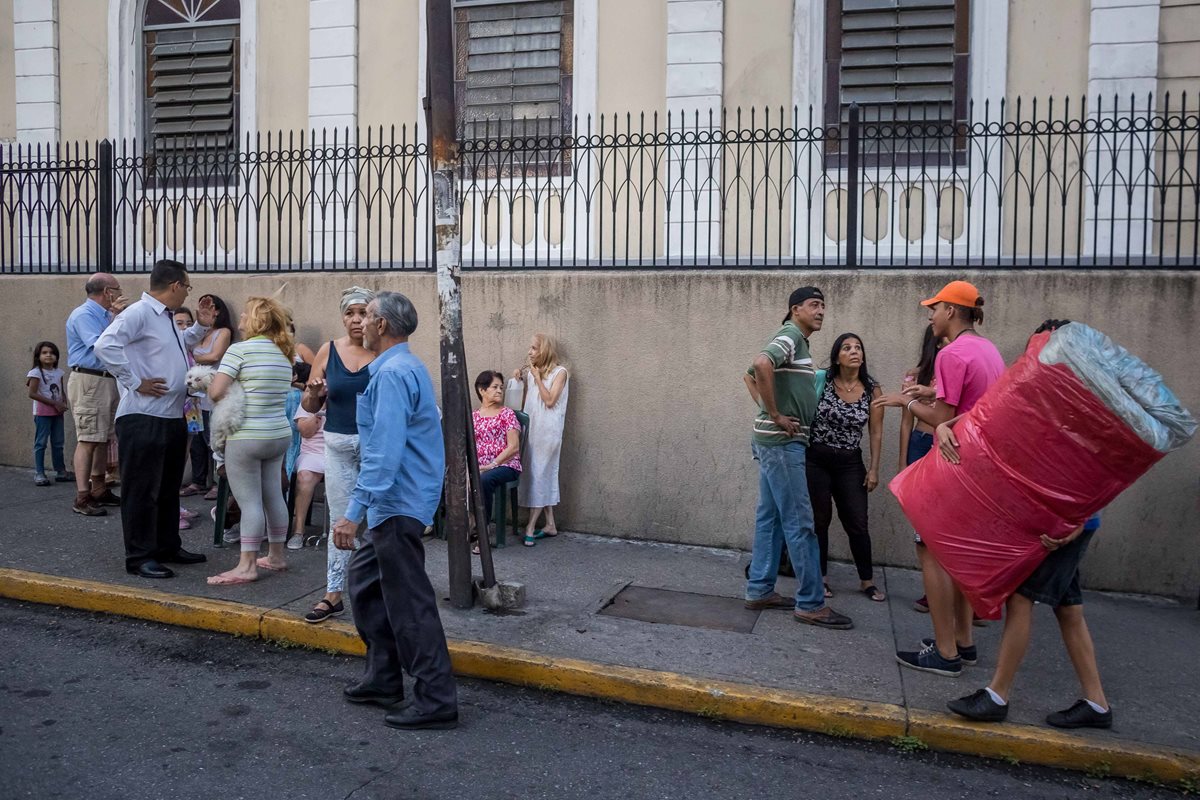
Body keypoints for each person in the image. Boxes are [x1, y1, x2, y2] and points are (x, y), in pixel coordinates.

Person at [333, 291, 457, 730]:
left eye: (366, 316)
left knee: (409, 604)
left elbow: (383, 453)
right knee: (365, 585)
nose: (360, 323)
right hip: (396, 501)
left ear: (382, 325)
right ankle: (384, 677)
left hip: (398, 501)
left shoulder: (392, 374)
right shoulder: (398, 367)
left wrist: (352, 512)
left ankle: (436, 697)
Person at [874, 280, 1005, 676]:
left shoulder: (951, 354)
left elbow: (942, 421)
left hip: (951, 464)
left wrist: (908, 401)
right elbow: (970, 403)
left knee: (931, 553)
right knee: (958, 557)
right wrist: (929, 391)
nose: (930, 316)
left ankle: (945, 653)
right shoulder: (986, 349)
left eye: (934, 308)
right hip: (978, 467)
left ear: (951, 310)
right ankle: (964, 644)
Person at [93, 260, 214, 579]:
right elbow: (104, 345)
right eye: (187, 287)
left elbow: (179, 346)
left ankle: (166, 546)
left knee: (166, 488)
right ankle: (140, 556)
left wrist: (200, 326)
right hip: (143, 417)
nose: (188, 292)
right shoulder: (139, 313)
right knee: (141, 489)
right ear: (175, 285)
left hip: (171, 415)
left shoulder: (166, 319)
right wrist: (134, 381)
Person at [742, 286, 852, 630]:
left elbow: (750, 374)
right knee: (801, 522)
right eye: (813, 305)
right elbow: (759, 365)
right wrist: (774, 414)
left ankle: (760, 589)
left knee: (771, 518)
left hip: (774, 443)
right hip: (781, 444)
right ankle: (811, 603)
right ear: (795, 310)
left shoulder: (796, 342)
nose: (820, 311)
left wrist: (768, 412)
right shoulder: (790, 335)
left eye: (823, 305)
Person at [205, 297, 296, 585]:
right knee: (273, 496)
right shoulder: (284, 354)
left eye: (245, 314)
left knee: (250, 502)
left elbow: (215, 392)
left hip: (246, 436)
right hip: (278, 434)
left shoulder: (239, 351)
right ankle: (277, 556)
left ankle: (247, 565)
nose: (241, 317)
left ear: (255, 321)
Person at [301, 287, 376, 623]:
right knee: (340, 522)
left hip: (375, 451)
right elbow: (309, 406)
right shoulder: (328, 351)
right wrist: (315, 394)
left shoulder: (382, 352)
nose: (356, 320)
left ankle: (379, 590)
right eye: (350, 313)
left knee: (378, 521)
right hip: (338, 446)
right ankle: (333, 594)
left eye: (362, 313)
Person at [806, 332, 885, 601]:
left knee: (857, 521)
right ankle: (821, 577)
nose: (854, 352)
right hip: (816, 458)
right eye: (847, 348)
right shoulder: (822, 380)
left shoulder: (873, 389)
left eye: (858, 348)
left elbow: (875, 432)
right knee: (820, 520)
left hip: (850, 462)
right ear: (837, 357)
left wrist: (873, 468)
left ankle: (867, 580)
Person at [65, 272, 127, 516]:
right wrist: (115, 318)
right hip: (90, 379)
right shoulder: (84, 315)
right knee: (89, 438)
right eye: (118, 289)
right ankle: (82, 496)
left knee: (103, 438)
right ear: (107, 292)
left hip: (106, 380)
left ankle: (99, 488)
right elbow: (101, 344)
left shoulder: (104, 315)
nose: (121, 293)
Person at [899, 327, 941, 614]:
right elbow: (905, 420)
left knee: (946, 523)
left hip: (947, 446)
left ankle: (954, 592)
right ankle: (933, 591)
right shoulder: (915, 374)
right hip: (921, 442)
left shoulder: (959, 369)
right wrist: (902, 463)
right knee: (922, 525)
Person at [512, 333, 568, 547]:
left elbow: (550, 400)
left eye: (534, 348)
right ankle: (550, 524)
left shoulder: (560, 373)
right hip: (533, 430)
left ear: (544, 350)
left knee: (540, 474)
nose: (530, 352)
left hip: (548, 433)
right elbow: (529, 402)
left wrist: (536, 377)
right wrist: (519, 381)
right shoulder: (532, 375)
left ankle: (530, 526)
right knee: (538, 474)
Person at [180, 294, 234, 500]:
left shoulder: (224, 332)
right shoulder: (196, 333)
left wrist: (190, 356)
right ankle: (198, 480)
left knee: (213, 438)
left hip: (212, 393)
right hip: (194, 395)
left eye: (210, 306)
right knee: (196, 441)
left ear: (218, 310)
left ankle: (217, 481)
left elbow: (214, 357)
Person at [472, 370, 523, 553]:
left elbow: (514, 447)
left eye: (501, 387)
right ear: (482, 390)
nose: (500, 390)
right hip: (480, 466)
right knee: (456, 476)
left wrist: (493, 464)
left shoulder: (507, 414)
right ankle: (467, 525)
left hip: (505, 465)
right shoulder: (474, 417)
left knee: (484, 479)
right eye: (495, 387)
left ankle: (483, 534)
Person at [26, 341, 71, 487]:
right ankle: (39, 473)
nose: (48, 355)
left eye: (52, 353)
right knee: (41, 442)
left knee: (58, 442)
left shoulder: (59, 372)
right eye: (44, 353)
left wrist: (63, 402)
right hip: (43, 413)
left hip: (58, 413)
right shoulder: (35, 373)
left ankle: (61, 471)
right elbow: (32, 393)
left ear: (57, 357)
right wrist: (54, 404)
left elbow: (61, 390)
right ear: (38, 356)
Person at [287, 390, 327, 551]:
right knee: (305, 477)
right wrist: (320, 407)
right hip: (313, 452)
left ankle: (344, 531)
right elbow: (305, 431)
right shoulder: (310, 398)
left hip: (340, 452)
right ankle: (298, 531)